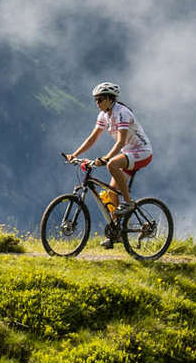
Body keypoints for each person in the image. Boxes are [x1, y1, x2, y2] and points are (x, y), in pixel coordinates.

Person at [64, 81, 153, 243]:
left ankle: (128, 203)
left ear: (110, 99)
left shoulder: (122, 113)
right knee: (111, 192)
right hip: (129, 154)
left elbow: (120, 141)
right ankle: (117, 232)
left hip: (142, 152)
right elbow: (92, 138)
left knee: (112, 165)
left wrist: (106, 158)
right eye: (95, 100)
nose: (97, 103)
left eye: (100, 99)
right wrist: (74, 154)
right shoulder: (104, 115)